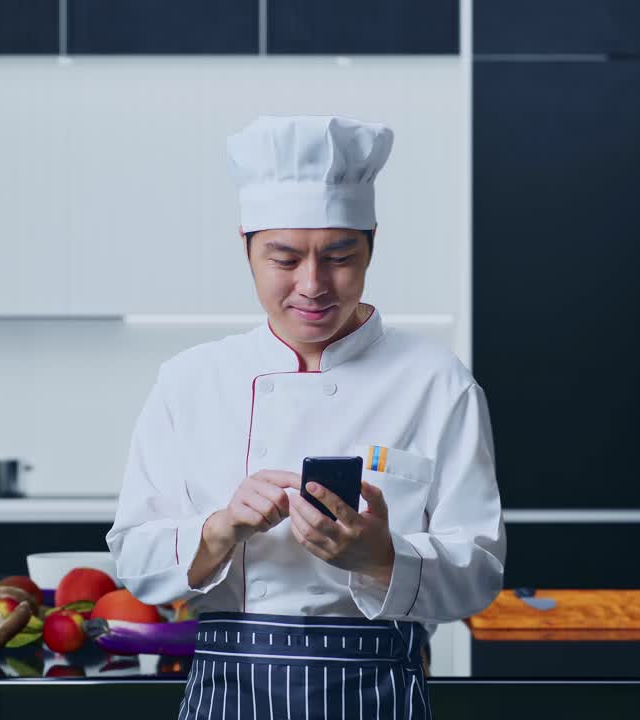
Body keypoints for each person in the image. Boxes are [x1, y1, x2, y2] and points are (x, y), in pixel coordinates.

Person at [107, 115, 506, 720]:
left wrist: (380, 557)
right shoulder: (189, 382)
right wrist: (218, 531)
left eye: (340, 257)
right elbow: (135, 561)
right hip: (227, 694)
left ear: (372, 245)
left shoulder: (436, 381)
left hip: (378, 695)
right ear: (246, 248)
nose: (313, 285)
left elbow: (479, 572)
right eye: (284, 259)